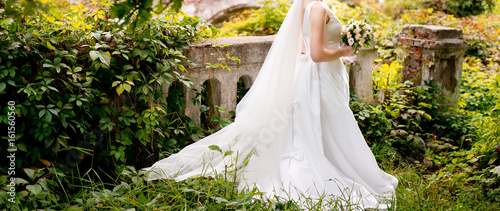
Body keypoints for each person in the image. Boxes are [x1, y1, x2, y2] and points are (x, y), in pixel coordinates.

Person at [143, 0, 398, 209]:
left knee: (321, 124)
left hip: (313, 74)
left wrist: (335, 50)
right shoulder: (318, 7)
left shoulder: (304, 6)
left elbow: (303, 45)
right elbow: (317, 54)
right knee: (330, 122)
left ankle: (333, 158)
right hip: (319, 75)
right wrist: (344, 50)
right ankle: (335, 165)